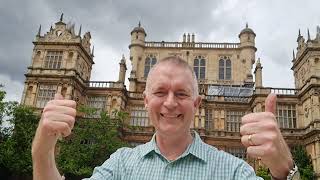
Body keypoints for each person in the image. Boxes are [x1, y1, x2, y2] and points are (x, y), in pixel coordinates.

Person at [32, 56, 298, 180]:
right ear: (145, 101)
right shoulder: (121, 165)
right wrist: (42, 149)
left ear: (197, 104)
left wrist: (285, 168)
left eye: (181, 93)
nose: (170, 103)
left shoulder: (233, 170)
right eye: (160, 92)